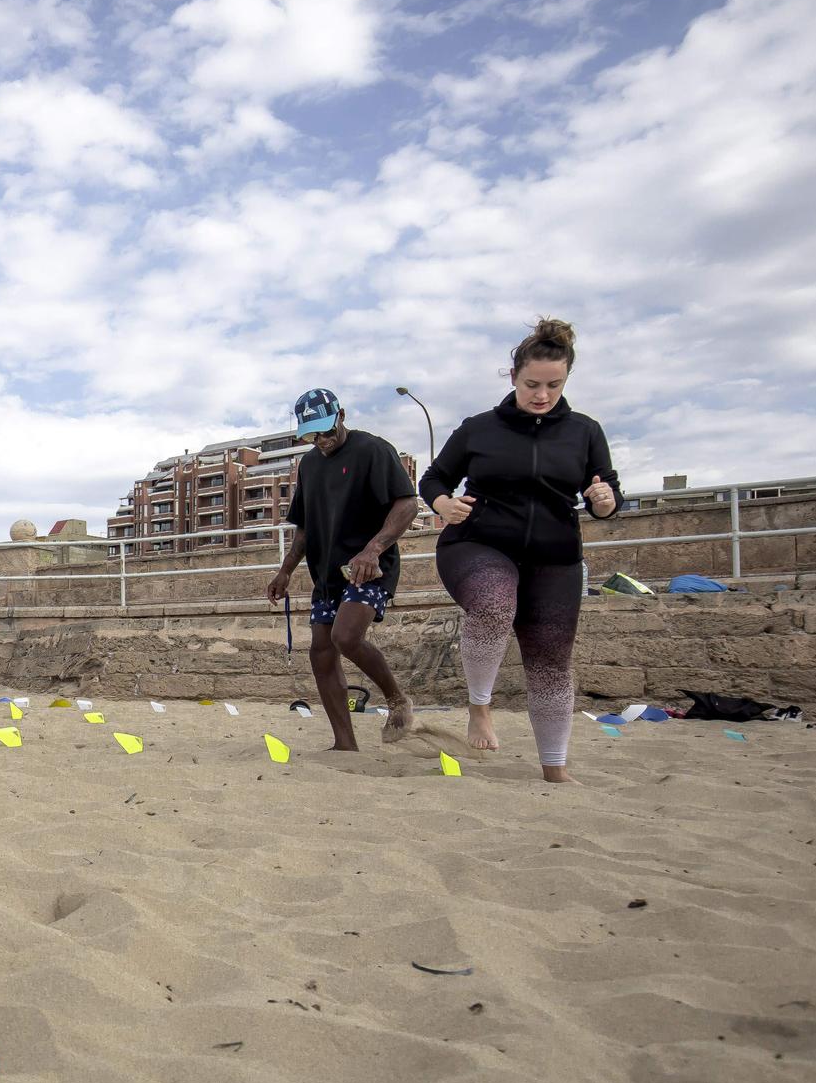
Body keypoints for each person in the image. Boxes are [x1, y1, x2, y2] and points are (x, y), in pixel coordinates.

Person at [416, 318, 623, 783]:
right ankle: (479, 708)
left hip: (555, 556)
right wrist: (443, 503)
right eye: (532, 384)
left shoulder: (585, 431)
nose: (542, 395)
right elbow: (433, 479)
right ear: (513, 378)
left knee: (551, 660)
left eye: (554, 385)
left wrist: (606, 502)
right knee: (493, 603)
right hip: (477, 543)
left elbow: (607, 491)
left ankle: (554, 767)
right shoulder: (478, 429)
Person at [266, 389, 418, 749]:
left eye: (325, 430)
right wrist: (286, 570)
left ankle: (397, 699)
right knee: (320, 649)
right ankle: (345, 743)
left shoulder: (372, 450)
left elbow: (407, 504)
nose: (321, 440)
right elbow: (303, 526)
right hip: (328, 571)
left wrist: (373, 549)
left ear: (342, 415)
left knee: (345, 636)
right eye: (311, 434)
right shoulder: (310, 464)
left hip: (370, 565)